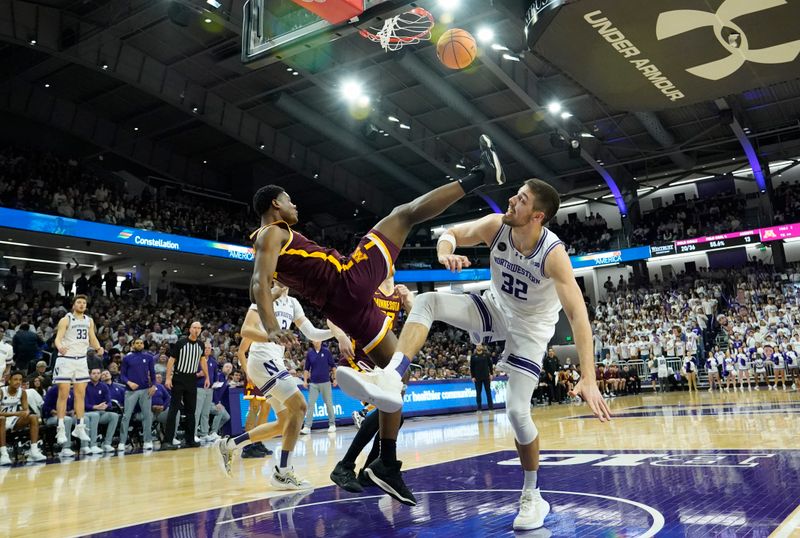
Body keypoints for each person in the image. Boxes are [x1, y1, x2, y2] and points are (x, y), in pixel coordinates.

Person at [242, 134, 505, 504]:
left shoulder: (277, 237)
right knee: (404, 214)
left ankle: (385, 463)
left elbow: (262, 281)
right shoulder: (271, 232)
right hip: (347, 282)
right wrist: (270, 326)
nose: (294, 204)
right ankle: (479, 175)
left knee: (396, 379)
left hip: (344, 307)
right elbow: (257, 281)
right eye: (289, 200)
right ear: (275, 204)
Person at [337, 178, 611, 527]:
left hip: (530, 331)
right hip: (496, 308)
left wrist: (588, 376)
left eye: (522, 200)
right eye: (516, 194)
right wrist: (443, 252)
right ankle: (391, 377)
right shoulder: (497, 225)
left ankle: (532, 494)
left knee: (516, 412)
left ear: (537, 216)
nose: (512, 200)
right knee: (427, 301)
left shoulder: (553, 254)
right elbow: (451, 233)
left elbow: (577, 316)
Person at [215, 285, 339, 490]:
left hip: (275, 360)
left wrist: (334, 331)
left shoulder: (293, 303)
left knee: (285, 423)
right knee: (299, 406)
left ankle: (230, 445)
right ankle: (283, 472)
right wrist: (272, 336)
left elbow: (311, 332)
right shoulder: (265, 297)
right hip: (262, 357)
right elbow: (246, 330)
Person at [53, 294, 102, 446]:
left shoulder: (89, 320)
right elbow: (58, 338)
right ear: (73, 305)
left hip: (81, 360)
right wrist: (59, 346)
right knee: (63, 394)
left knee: (80, 395)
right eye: (79, 302)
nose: (81, 305)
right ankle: (60, 428)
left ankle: (79, 426)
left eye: (84, 303)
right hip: (66, 360)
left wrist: (98, 347)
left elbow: (92, 338)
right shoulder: (66, 319)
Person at [163, 322, 207, 450]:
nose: (197, 330)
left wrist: (207, 376)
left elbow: (202, 360)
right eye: (195, 328)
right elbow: (171, 360)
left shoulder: (200, 344)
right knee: (174, 409)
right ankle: (167, 440)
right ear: (190, 329)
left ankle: (190, 439)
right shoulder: (181, 343)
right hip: (178, 377)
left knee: (191, 410)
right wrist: (168, 377)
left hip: (192, 379)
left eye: (199, 328)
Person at [117, 339, 157, 452]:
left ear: (143, 345)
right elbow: (122, 376)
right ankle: (122, 442)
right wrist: (129, 383)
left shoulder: (149, 357)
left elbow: (153, 374)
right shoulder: (127, 358)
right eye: (137, 343)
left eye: (141, 343)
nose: (139, 344)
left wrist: (154, 385)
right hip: (131, 391)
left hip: (145, 390)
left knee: (147, 415)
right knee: (126, 416)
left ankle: (147, 440)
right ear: (133, 345)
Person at [0, 371, 47, 465]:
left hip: (13, 421)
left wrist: (26, 413)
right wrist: (17, 413)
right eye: (15, 379)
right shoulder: (1, 391)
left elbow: (26, 410)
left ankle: (34, 451)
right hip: (2, 420)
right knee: (2, 419)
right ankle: (4, 454)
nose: (18, 382)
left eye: (20, 380)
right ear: (9, 381)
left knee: (33, 417)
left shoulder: (22, 392)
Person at [238, 337, 272, 458]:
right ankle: (247, 447)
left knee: (266, 410)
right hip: (254, 373)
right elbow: (240, 352)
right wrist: (248, 373)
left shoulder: (270, 331)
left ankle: (258, 442)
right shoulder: (251, 331)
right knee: (254, 408)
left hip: (267, 375)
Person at [301, 340, 338, 434]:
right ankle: (307, 427)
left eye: (318, 340)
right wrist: (305, 381)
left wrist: (335, 379)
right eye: (314, 340)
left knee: (329, 403)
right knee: (310, 404)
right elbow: (306, 369)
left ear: (321, 341)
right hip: (313, 383)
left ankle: (332, 424)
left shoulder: (326, 352)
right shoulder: (310, 354)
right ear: (312, 342)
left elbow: (333, 367)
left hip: (326, 382)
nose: (316, 342)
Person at [82, 368, 119, 454]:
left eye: (98, 373)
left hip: (101, 412)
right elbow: (83, 404)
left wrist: (106, 406)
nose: (96, 375)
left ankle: (107, 443)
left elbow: (109, 401)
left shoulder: (103, 386)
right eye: (94, 373)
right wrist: (95, 407)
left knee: (114, 416)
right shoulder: (85, 386)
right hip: (87, 412)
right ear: (90, 375)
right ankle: (93, 445)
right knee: (95, 415)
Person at [194, 342, 219, 443]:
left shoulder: (213, 361)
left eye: (209, 348)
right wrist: (197, 375)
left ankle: (204, 433)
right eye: (205, 348)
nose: (207, 349)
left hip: (210, 389)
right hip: (199, 388)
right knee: (197, 412)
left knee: (205, 413)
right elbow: (190, 374)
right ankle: (193, 433)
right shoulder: (196, 360)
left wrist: (216, 383)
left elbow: (215, 375)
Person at [470, 344, 494, 411]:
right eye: (477, 346)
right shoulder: (473, 356)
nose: (479, 347)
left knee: (488, 392)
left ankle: (491, 408)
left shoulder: (486, 355)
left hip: (486, 376)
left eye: (480, 345)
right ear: (476, 347)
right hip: (477, 377)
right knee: (478, 393)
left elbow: (490, 365)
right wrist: (472, 376)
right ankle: (479, 409)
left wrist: (491, 374)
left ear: (482, 347)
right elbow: (471, 367)